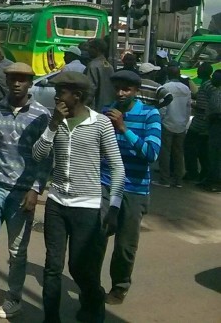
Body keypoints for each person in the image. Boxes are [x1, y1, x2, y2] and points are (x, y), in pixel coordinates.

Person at [33, 71, 125, 323]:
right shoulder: (54, 121)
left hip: (88, 207)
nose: (56, 95)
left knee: (79, 267)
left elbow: (117, 167)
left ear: (77, 95)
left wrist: (114, 207)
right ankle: (51, 318)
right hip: (57, 204)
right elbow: (38, 156)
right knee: (52, 266)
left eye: (61, 91)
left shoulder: (100, 124)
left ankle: (94, 301)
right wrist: (52, 125)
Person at [0, 62, 51, 319]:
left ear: (30, 82)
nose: (16, 83)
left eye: (22, 79)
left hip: (22, 192)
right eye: (12, 78)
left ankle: (14, 297)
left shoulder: (41, 115)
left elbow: (46, 158)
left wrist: (36, 189)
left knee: (17, 251)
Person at [100, 70, 162, 306]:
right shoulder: (106, 111)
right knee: (96, 237)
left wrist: (124, 128)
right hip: (105, 184)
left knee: (125, 246)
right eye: (117, 88)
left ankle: (119, 286)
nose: (121, 93)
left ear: (136, 91)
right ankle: (92, 285)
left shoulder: (150, 115)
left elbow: (151, 154)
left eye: (126, 89)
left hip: (135, 189)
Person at [155, 64, 191, 188]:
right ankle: (178, 180)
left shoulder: (165, 87)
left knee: (165, 152)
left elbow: (163, 107)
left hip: (167, 123)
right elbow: (188, 107)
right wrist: (185, 121)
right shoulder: (186, 89)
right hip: (181, 124)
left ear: (168, 74)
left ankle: (164, 179)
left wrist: (160, 120)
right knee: (178, 153)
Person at [184, 62, 214, 183]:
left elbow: (207, 105)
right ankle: (200, 173)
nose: (197, 71)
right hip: (203, 123)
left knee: (190, 147)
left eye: (200, 69)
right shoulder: (206, 84)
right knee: (201, 150)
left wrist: (194, 106)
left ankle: (193, 172)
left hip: (200, 124)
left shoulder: (208, 86)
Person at [84, 38, 115, 112]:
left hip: (95, 110)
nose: (88, 50)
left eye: (90, 47)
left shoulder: (93, 66)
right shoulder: (109, 66)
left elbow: (89, 90)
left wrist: (83, 107)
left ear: (96, 49)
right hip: (108, 109)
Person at [203, 70, 221, 193]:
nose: (211, 79)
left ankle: (216, 183)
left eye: (214, 77)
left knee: (216, 155)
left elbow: (217, 112)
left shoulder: (219, 93)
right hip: (214, 125)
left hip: (217, 126)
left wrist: (212, 118)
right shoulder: (216, 91)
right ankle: (210, 179)